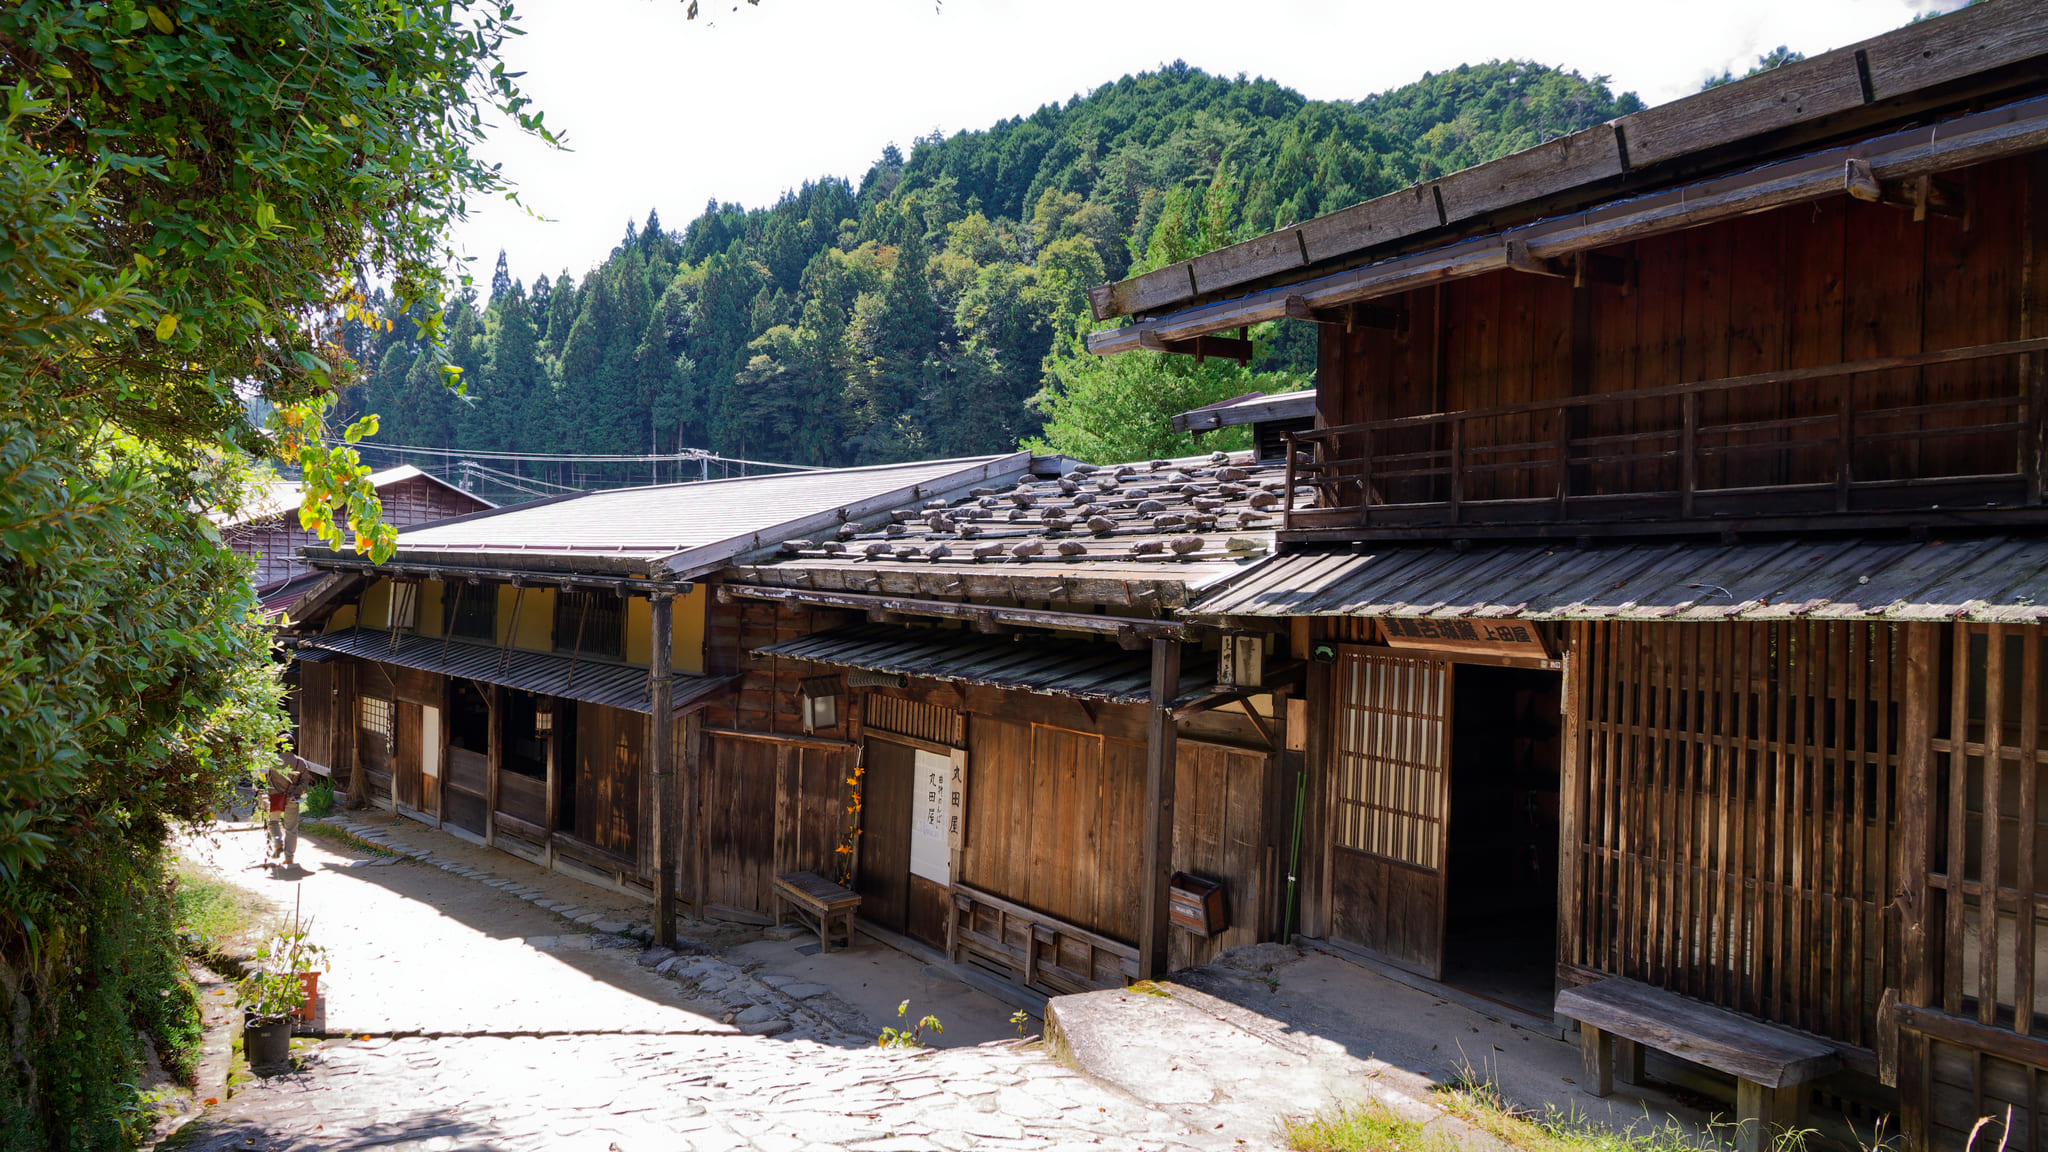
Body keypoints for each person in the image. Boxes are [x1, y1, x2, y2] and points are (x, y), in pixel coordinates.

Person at [264, 754, 312, 868]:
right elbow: (304, 781)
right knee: (291, 829)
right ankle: (289, 858)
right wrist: (295, 794)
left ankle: (278, 843)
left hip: (275, 798)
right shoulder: (300, 762)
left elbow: (266, 778)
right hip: (292, 799)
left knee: (273, 822)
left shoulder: (272, 760)